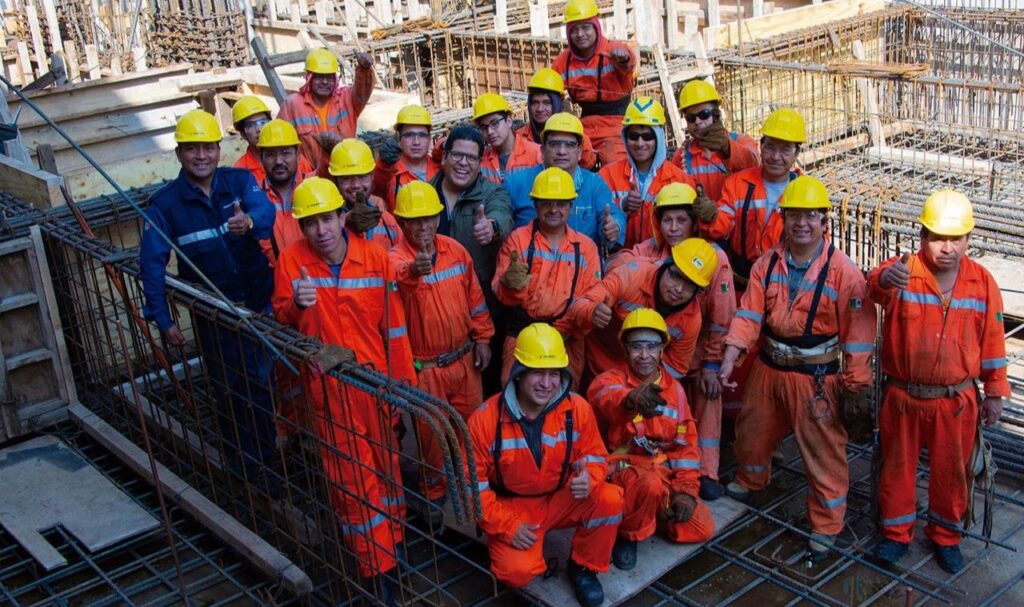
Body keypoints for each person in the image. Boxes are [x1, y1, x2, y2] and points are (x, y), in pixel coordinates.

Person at [718, 176, 875, 561]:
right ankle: (750, 478)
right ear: (783, 220)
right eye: (793, 215)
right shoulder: (766, 265)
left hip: (816, 377)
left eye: (811, 216)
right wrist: (731, 352)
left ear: (825, 222)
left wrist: (856, 385)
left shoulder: (845, 274)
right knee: (751, 433)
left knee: (823, 454)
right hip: (769, 367)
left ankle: (826, 526)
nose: (802, 223)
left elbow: (857, 335)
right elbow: (750, 313)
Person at [271, 177, 413, 601]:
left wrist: (400, 388)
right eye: (311, 223)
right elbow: (280, 320)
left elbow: (395, 328)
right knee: (354, 488)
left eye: (327, 219)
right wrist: (295, 303)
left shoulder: (374, 257)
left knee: (388, 477)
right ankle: (378, 575)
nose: (321, 230)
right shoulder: (292, 263)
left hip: (375, 388)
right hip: (329, 395)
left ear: (341, 217)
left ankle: (396, 551)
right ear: (301, 226)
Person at [867, 190, 1008, 574]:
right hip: (904, 396)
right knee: (897, 467)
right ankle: (896, 535)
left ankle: (946, 536)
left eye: (955, 239)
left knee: (953, 472)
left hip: (955, 401)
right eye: (937, 238)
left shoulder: (982, 284)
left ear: (968, 240)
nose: (946, 248)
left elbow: (993, 342)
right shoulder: (902, 271)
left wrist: (995, 392)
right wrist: (883, 277)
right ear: (922, 236)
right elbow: (871, 289)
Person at [139, 109, 277, 481]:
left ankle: (268, 462)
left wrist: (249, 222)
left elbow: (266, 211)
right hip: (215, 316)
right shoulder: (165, 204)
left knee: (263, 388)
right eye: (192, 149)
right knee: (232, 392)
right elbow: (151, 265)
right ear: (179, 154)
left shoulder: (240, 181)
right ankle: (246, 468)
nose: (201, 156)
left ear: (219, 149)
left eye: (208, 147)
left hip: (256, 305)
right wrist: (164, 321)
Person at [468, 323, 623, 607]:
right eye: (537, 372)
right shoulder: (484, 420)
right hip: (512, 507)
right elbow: (473, 492)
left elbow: (597, 456)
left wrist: (590, 477)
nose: (546, 383)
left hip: (561, 497)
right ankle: (525, 549)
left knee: (609, 498)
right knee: (516, 572)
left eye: (554, 374)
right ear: (518, 373)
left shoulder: (577, 409)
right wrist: (508, 527)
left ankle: (584, 567)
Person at [607, 185, 736, 499]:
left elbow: (722, 319)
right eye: (668, 221)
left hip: (694, 356)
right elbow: (621, 264)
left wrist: (710, 364)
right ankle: (642, 463)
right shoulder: (647, 252)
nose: (675, 228)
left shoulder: (713, 259)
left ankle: (705, 471)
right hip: (646, 360)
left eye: (682, 220)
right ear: (657, 222)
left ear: (694, 223)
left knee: (708, 394)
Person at [388, 181, 495, 519]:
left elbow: (475, 300)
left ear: (438, 218)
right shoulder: (394, 259)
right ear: (402, 223)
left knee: (473, 428)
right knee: (432, 437)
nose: (423, 226)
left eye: (429, 219)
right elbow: (396, 276)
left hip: (464, 360)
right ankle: (435, 489)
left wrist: (483, 338)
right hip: (427, 367)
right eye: (414, 220)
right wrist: (413, 271)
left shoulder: (455, 251)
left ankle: (471, 483)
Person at [587, 308, 714, 571]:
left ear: (661, 351)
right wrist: (630, 400)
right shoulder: (612, 380)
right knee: (649, 484)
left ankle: (650, 515)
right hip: (622, 471)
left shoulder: (676, 391)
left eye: (651, 346)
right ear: (625, 349)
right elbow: (604, 396)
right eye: (636, 347)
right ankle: (627, 534)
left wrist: (686, 494)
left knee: (701, 527)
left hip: (660, 470)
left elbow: (686, 449)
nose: (644, 355)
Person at [494, 167, 607, 384]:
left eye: (561, 203)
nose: (553, 209)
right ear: (535, 205)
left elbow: (589, 298)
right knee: (514, 400)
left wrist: (573, 323)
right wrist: (508, 284)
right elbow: (501, 294)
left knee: (564, 403)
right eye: (546, 203)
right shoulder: (518, 241)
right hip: (521, 336)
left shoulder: (585, 248)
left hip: (567, 339)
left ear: (571, 206)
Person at [693, 108, 806, 291]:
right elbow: (722, 224)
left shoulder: (806, 194)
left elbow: (816, 248)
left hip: (785, 288)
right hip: (741, 286)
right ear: (761, 146)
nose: (776, 157)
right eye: (770, 147)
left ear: (797, 153)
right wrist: (711, 216)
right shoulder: (738, 183)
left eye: (785, 150)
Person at [588, 238, 718, 384]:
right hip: (594, 356)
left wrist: (651, 388)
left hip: (639, 377)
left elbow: (675, 370)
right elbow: (587, 302)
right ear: (665, 265)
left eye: (690, 285)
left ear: (698, 292)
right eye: (676, 276)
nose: (679, 289)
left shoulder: (691, 320)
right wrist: (593, 311)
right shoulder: (633, 275)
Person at [504, 113, 626, 254]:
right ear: (542, 150)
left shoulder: (594, 185)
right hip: (530, 271)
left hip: (582, 271)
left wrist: (615, 226)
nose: (562, 151)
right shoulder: (516, 183)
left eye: (569, 145)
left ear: (580, 152)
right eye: (554, 144)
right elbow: (501, 217)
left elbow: (614, 216)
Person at [429, 125, 514, 312]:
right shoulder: (424, 194)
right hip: (432, 301)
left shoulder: (492, 192)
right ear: (444, 157)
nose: (463, 162)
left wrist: (492, 227)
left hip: (480, 302)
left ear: (480, 162)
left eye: (472, 158)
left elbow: (502, 214)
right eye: (457, 155)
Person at [598, 96, 694, 248]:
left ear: (659, 138)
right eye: (634, 136)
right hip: (622, 261)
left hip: (666, 259)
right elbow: (596, 218)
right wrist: (622, 206)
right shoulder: (607, 176)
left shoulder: (679, 179)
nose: (640, 143)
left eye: (647, 136)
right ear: (625, 138)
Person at [552, 0, 637, 165]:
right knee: (571, 159)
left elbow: (628, 59)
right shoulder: (563, 62)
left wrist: (623, 57)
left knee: (616, 164)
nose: (580, 34)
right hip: (584, 126)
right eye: (574, 29)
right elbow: (549, 88)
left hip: (617, 125)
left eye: (585, 27)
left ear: (596, 27)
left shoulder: (613, 50)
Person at [277, 48, 374, 169]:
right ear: (309, 78)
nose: (324, 81)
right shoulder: (292, 104)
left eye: (329, 77)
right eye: (319, 77)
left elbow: (363, 90)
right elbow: (279, 142)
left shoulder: (346, 98)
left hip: (346, 172)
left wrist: (364, 70)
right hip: (310, 177)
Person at [670, 80, 758, 202]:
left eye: (704, 114)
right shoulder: (682, 155)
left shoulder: (741, 141)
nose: (697, 121)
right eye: (691, 118)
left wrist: (727, 147)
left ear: (716, 114)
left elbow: (755, 164)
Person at [327, 138, 401, 250]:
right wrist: (344, 225)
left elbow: (402, 257)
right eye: (346, 178)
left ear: (372, 177)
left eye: (362, 177)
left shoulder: (386, 220)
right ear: (335, 181)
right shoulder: (325, 225)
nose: (356, 185)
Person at [518, 68, 598, 170]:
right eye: (535, 103)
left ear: (557, 103)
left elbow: (588, 165)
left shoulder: (577, 135)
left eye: (546, 103)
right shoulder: (519, 138)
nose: (540, 109)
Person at [256, 118, 315, 258]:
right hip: (273, 276)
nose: (278, 161)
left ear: (298, 156)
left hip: (317, 274)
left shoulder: (314, 185)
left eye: (285, 153)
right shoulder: (253, 195)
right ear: (261, 159)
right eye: (270, 154)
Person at [372, 105, 441, 211]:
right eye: (409, 135)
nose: (416, 142)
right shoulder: (388, 171)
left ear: (429, 139)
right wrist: (383, 163)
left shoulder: (440, 169)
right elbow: (373, 186)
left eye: (422, 135)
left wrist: (442, 146)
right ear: (399, 138)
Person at [472, 92, 543, 184]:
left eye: (495, 123)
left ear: (509, 121)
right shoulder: (482, 160)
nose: (490, 132)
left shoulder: (536, 154)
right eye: (484, 128)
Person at [232, 95, 274, 183]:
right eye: (251, 125)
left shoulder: (294, 159)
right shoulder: (239, 172)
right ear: (243, 134)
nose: (259, 129)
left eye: (263, 122)